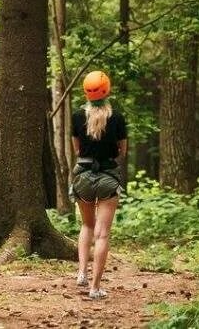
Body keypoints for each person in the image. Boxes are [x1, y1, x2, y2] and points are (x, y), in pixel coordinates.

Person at [70, 70, 126, 300]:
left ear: (86, 91)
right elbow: (123, 151)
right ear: (107, 89)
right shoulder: (117, 118)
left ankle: (81, 274)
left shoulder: (76, 116)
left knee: (87, 226)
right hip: (108, 178)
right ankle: (95, 288)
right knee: (102, 235)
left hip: (83, 176)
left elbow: (76, 149)